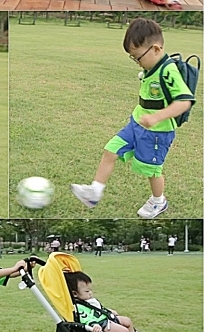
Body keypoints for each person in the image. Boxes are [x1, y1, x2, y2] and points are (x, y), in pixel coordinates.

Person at [71, 18, 195, 219]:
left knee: (152, 170)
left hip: (157, 132)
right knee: (110, 150)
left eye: (137, 57)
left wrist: (157, 117)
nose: (137, 62)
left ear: (156, 49)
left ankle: (158, 201)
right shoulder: (151, 66)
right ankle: (94, 192)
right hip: (136, 123)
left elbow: (184, 101)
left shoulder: (168, 71)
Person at [64, 271, 149, 332]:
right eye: (87, 291)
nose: (91, 293)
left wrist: (108, 311)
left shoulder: (88, 301)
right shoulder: (78, 307)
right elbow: (85, 318)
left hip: (104, 318)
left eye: (90, 290)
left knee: (127, 321)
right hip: (100, 324)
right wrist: (93, 324)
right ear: (75, 294)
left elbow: (97, 309)